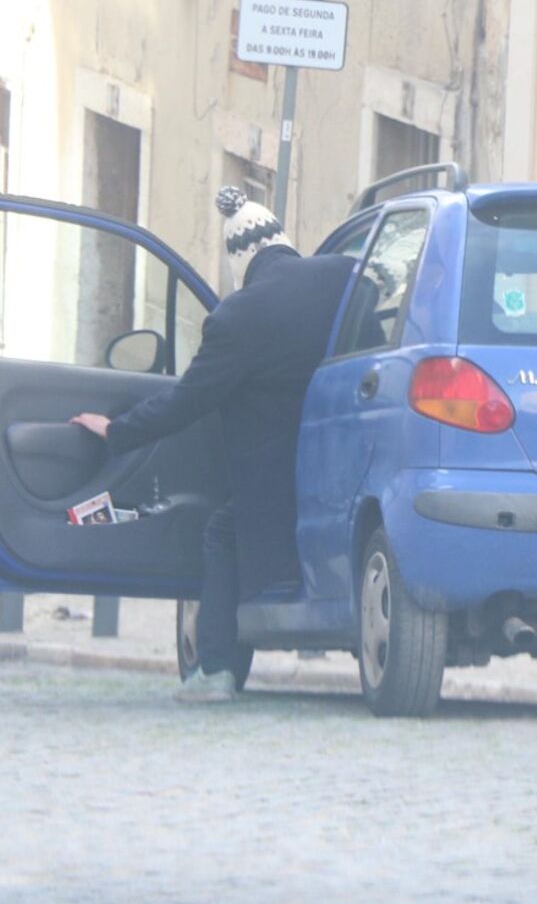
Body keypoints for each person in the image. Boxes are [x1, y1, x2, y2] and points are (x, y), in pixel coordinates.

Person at [71, 187, 356, 703]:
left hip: (277, 480)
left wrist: (117, 431)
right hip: (347, 466)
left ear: (239, 259)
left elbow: (188, 401)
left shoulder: (239, 316)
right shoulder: (342, 277)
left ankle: (217, 670)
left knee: (221, 533)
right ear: (283, 242)